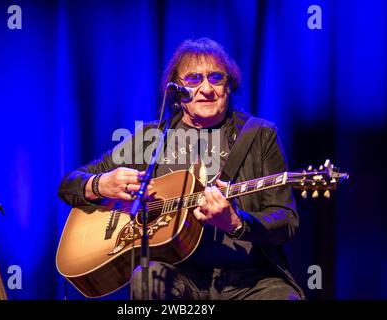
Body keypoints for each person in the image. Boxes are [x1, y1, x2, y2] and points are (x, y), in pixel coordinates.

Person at [58, 38, 304, 300]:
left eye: (216, 78)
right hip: (177, 275)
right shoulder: (152, 138)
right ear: (177, 91)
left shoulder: (259, 135)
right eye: (194, 79)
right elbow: (69, 184)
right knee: (147, 279)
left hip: (249, 280)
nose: (207, 89)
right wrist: (100, 184)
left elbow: (286, 220)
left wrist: (236, 222)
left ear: (229, 85)